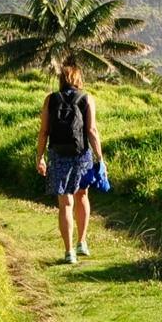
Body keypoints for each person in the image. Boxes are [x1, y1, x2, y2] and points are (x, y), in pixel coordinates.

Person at [35, 60, 105, 264]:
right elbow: (91, 130)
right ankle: (82, 242)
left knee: (65, 203)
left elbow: (44, 131)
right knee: (82, 196)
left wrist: (39, 157)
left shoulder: (51, 99)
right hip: (81, 154)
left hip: (57, 155)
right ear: (78, 79)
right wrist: (100, 157)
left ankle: (68, 252)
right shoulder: (87, 98)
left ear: (61, 80)